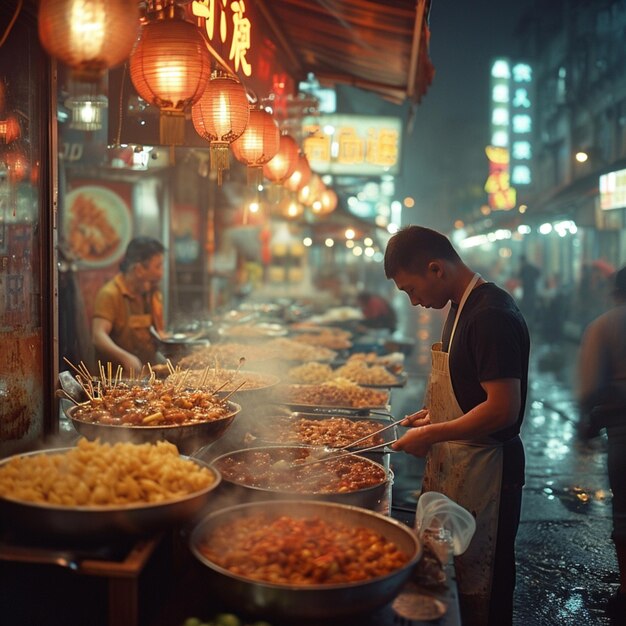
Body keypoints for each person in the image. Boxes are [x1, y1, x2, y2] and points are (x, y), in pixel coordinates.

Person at [384, 225, 529, 626]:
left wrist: (431, 434)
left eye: (411, 290)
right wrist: (431, 415)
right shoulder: (461, 307)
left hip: (490, 474)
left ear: (435, 268)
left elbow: (502, 409)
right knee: (457, 579)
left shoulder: (490, 316)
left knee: (486, 585)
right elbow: (472, 396)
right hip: (464, 468)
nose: (414, 302)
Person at [576, 266, 626, 625]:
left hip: (623, 432)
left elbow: (590, 387)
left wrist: (586, 425)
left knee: (624, 513)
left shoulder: (605, 325)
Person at [92, 236, 166, 375]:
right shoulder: (110, 294)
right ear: (138, 270)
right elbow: (98, 336)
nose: (161, 273)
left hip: (147, 378)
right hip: (117, 381)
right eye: (158, 266)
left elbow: (158, 331)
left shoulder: (151, 293)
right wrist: (125, 358)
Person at [518, 254, 540, 324]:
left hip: (526, 291)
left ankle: (527, 325)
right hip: (532, 290)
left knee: (526, 309)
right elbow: (539, 273)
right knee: (531, 309)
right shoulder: (532, 267)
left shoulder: (523, 268)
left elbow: (518, 277)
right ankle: (531, 324)